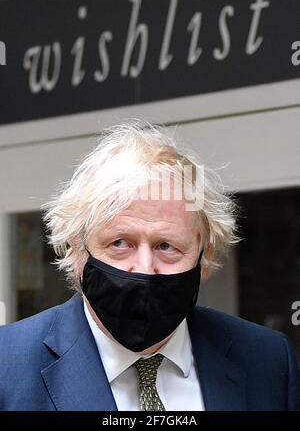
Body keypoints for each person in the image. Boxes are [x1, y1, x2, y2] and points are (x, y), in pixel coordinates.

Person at [0, 119, 299, 411]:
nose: (144, 268)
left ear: (203, 258)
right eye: (120, 243)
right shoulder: (7, 367)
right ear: (77, 249)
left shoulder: (268, 362)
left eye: (166, 246)